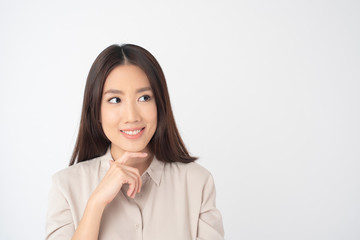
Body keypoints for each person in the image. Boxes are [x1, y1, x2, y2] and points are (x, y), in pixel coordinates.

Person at [45, 44, 224, 240]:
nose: (131, 116)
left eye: (144, 97)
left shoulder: (197, 183)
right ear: (96, 110)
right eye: (115, 100)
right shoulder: (66, 186)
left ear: (160, 105)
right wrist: (95, 204)